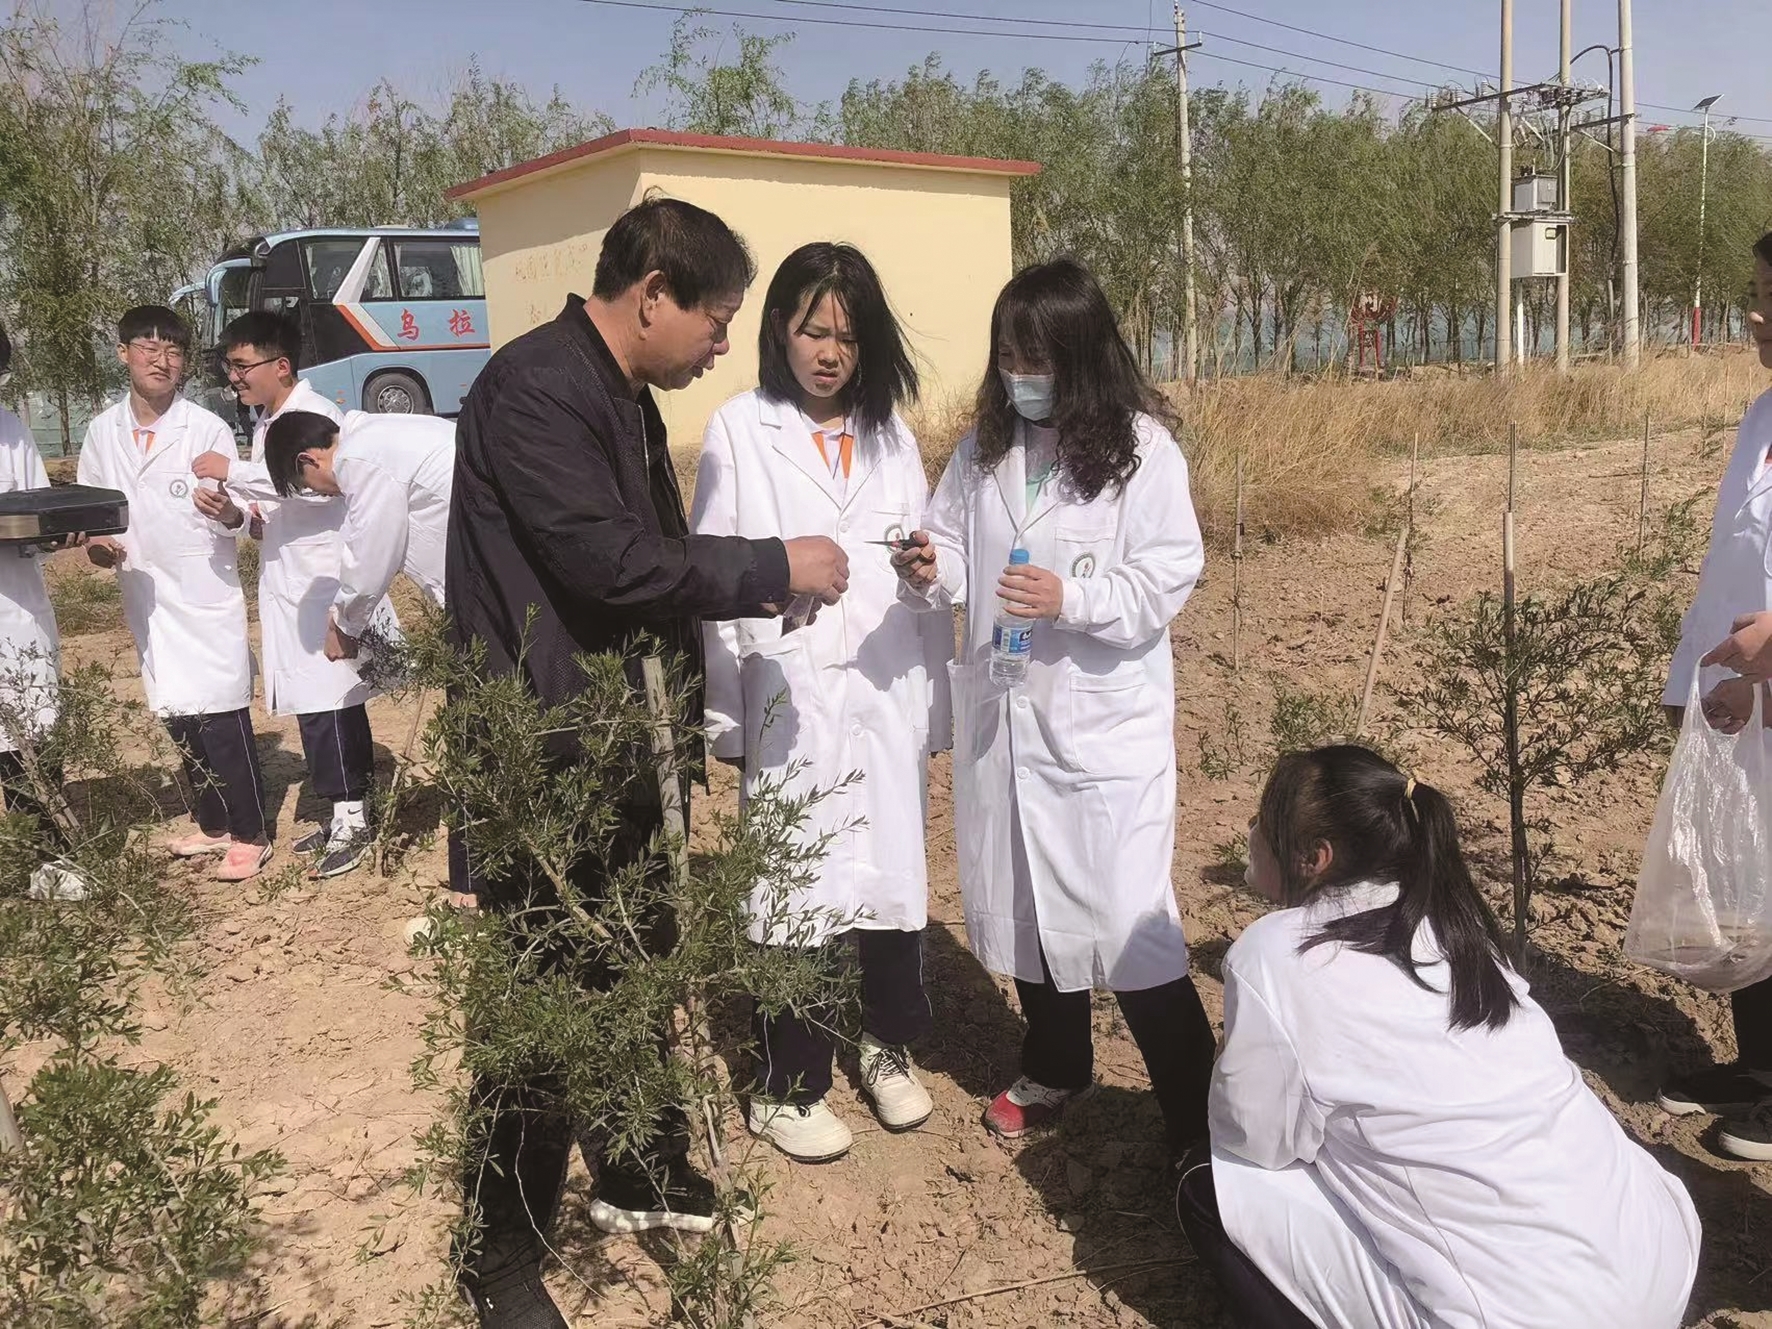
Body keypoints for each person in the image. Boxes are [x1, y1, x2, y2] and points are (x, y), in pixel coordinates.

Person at [446, 197, 850, 1328]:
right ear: (652, 295)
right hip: (550, 757)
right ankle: (498, 1259)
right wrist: (776, 564)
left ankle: (636, 1165)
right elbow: (611, 565)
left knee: (633, 966)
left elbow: (640, 566)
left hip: (617, 743)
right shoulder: (535, 388)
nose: (725, 342)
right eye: (717, 319)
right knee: (539, 1008)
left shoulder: (615, 396)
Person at [1185, 745, 1701, 1328]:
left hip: (1525, 1317)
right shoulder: (1452, 922)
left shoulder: (1275, 953)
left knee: (1208, 1185)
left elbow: (1252, 1141)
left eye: (1263, 822)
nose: (1250, 831)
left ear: (1315, 858)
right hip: (1658, 1266)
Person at [895, 257, 1217, 1156]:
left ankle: (1196, 1112)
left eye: (1035, 357)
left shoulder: (1142, 452)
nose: (1018, 374)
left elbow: (1167, 574)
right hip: (1006, 711)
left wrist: (1072, 600)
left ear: (1081, 356)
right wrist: (932, 570)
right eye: (1006, 354)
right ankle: (1058, 1062)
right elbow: (956, 547)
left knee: (1129, 921)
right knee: (1026, 895)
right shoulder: (982, 451)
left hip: (1099, 726)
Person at [691, 242, 950, 1164]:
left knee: (887, 874)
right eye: (812, 329)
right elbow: (714, 573)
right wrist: (727, 713)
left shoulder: (893, 437)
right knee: (795, 881)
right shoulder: (738, 428)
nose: (829, 350)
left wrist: (928, 577)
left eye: (846, 333)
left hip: (882, 689)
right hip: (789, 690)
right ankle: (786, 1083)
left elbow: (925, 572)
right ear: (779, 332)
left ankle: (883, 1046)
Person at [75, 307, 270, 882]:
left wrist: (231, 512)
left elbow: (240, 513)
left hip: (201, 588)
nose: (162, 361)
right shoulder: (101, 431)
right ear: (123, 354)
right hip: (145, 590)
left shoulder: (203, 427)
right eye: (148, 348)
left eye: (174, 352)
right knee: (177, 713)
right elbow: (94, 519)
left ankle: (250, 830)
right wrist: (99, 549)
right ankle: (213, 823)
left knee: (221, 710)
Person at [191, 312, 386, 879]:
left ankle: (354, 819)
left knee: (334, 702)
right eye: (230, 367)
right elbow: (271, 517)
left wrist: (238, 472)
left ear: (281, 365)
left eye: (243, 365)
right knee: (316, 706)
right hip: (289, 582)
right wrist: (233, 511)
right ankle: (343, 810)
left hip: (322, 582)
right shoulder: (270, 422)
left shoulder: (315, 417)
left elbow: (326, 492)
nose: (235, 378)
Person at [1654, 230, 1772, 1156]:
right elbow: (1732, 556)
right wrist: (1695, 671)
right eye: (1757, 289)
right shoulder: (1762, 414)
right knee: (1752, 876)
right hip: (1744, 691)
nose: (1756, 314)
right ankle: (1761, 1067)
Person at [260, 408, 454, 654]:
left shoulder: (358, 460)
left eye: (307, 485)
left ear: (307, 460)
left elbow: (370, 553)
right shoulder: (376, 433)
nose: (321, 493)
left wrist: (342, 626)